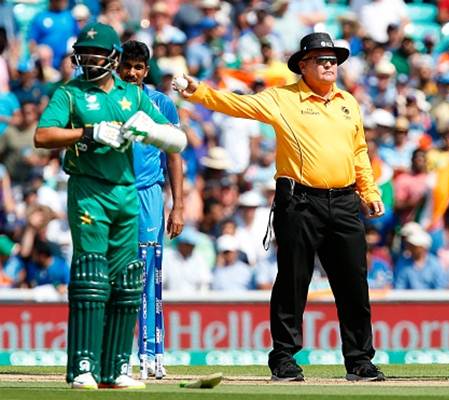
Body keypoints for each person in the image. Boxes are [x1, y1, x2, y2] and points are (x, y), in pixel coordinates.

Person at [175, 32, 385, 382]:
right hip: (300, 200)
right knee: (292, 281)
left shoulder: (348, 101)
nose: (330, 63)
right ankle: (284, 358)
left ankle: (360, 361)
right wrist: (197, 91)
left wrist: (370, 191)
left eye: (333, 58)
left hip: (346, 201)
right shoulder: (282, 98)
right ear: (303, 65)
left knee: (353, 283)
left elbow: (359, 151)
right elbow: (236, 104)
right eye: (321, 58)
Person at [34, 23, 186, 390]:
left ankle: (116, 368)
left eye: (96, 55)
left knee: (128, 280)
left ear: (112, 58)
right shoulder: (69, 93)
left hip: (127, 192)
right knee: (91, 275)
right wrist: (88, 132)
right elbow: (43, 136)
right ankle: (83, 366)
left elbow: (177, 140)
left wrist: (148, 130)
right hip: (89, 188)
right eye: (84, 55)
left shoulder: (131, 95)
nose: (89, 61)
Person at [117, 39, 185, 380]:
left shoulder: (161, 103)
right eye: (126, 65)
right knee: (114, 276)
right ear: (118, 66)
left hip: (147, 195)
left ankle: (151, 353)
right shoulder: (108, 101)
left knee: (146, 275)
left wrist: (178, 205)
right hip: (112, 194)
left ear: (146, 70)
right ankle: (116, 354)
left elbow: (174, 155)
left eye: (138, 67)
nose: (131, 72)